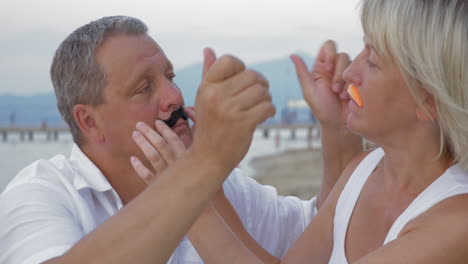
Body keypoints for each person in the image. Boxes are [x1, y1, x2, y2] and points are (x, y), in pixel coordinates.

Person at [0, 16, 361, 263]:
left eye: (170, 76)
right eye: (144, 88)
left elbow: (327, 237)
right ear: (89, 122)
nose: (173, 95)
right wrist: (207, 160)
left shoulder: (222, 187)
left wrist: (338, 128)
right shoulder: (42, 194)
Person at [134, 0, 468, 263]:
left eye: (373, 61)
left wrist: (184, 190)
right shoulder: (361, 171)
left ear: (428, 100)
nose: (350, 71)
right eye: (362, 49)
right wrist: (201, 172)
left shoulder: (457, 224)